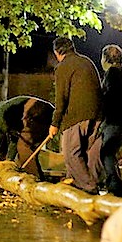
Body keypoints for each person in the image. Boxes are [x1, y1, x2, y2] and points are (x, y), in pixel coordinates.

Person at [48, 37, 102, 193]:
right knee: (83, 154)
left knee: (70, 153)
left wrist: (55, 124)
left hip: (77, 116)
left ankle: (90, 188)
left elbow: (61, 98)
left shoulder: (63, 67)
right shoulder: (87, 61)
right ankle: (74, 185)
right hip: (97, 115)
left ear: (57, 52)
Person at [96, 44, 122, 197]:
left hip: (115, 121)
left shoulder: (112, 74)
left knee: (106, 153)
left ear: (106, 59)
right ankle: (116, 188)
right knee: (109, 153)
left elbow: (108, 97)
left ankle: (116, 190)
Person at [0, 95, 55, 180]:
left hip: (36, 112)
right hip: (45, 113)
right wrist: (9, 161)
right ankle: (38, 178)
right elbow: (15, 140)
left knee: (24, 148)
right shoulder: (11, 118)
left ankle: (34, 182)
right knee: (29, 151)